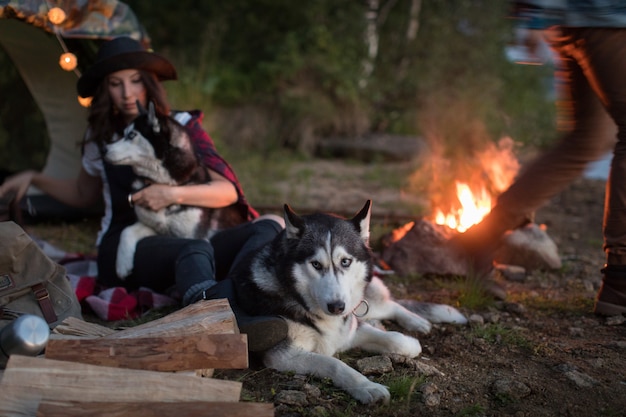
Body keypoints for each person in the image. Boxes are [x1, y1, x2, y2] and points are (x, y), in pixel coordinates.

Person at [0, 36, 287, 350]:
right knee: (192, 249)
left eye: (135, 81)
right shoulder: (101, 137)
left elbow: (227, 191)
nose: (126, 93)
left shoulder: (180, 125)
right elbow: (83, 194)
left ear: (149, 83)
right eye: (115, 84)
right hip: (125, 243)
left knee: (269, 226)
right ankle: (225, 320)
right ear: (104, 89)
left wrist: (170, 194)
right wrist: (35, 177)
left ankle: (243, 300)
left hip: (191, 228)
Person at [452, 1, 626, 316]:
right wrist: (536, 12)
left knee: (587, 142)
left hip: (588, 18)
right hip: (607, 20)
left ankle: (484, 235)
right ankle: (620, 275)